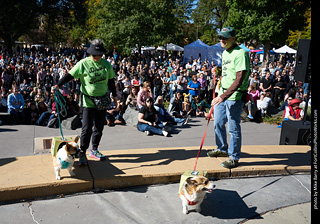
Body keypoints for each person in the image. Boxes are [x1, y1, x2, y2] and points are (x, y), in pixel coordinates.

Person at [55, 39, 117, 166]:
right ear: (90, 54)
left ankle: (94, 150)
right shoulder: (83, 63)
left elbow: (111, 80)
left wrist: (114, 95)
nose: (97, 57)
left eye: (99, 55)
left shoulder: (106, 64)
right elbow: (70, 75)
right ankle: (82, 152)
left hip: (102, 100)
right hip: (88, 100)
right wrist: (58, 85)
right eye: (94, 55)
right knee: (86, 128)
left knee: (99, 126)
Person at [208, 27, 250, 169]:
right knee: (218, 123)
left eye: (225, 38)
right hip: (222, 93)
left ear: (233, 38)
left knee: (233, 128)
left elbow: (239, 79)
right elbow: (227, 72)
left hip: (234, 97)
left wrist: (223, 97)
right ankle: (221, 148)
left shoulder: (241, 53)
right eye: (220, 38)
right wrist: (218, 70)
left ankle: (234, 157)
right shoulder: (225, 52)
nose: (221, 40)